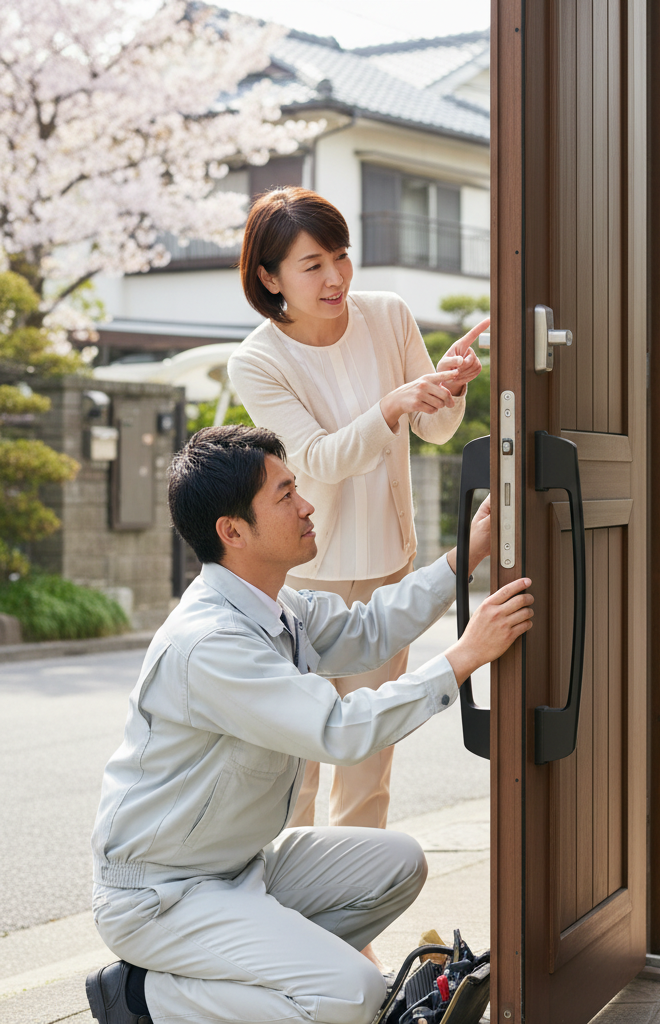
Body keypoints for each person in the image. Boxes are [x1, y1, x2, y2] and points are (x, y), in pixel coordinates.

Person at [86, 425, 532, 1024]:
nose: (307, 505)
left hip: (241, 867)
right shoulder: (210, 644)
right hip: (162, 895)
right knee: (353, 995)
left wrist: (468, 554)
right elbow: (340, 730)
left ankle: (279, 981)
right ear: (233, 531)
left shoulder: (276, 606)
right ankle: (143, 997)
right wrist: (462, 659)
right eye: (286, 494)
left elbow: (369, 629)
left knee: (399, 862)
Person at [227, 192, 487, 968]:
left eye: (341, 256)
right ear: (272, 277)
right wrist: (393, 404)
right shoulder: (258, 358)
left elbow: (435, 429)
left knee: (367, 768)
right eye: (313, 264)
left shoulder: (387, 312)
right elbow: (314, 460)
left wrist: (448, 381)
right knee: (293, 774)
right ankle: (282, 936)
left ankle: (353, 934)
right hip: (302, 584)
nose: (336, 276)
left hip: (384, 569)